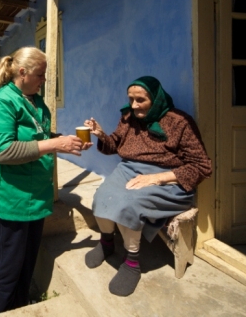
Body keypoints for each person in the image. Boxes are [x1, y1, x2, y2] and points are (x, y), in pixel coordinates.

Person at [81, 76, 211, 297]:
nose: (133, 105)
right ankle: (106, 242)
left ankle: (132, 263)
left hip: (169, 178)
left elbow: (202, 166)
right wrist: (101, 134)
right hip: (130, 170)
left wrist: (158, 178)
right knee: (102, 195)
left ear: (155, 99)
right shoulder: (128, 118)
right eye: (131, 99)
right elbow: (114, 145)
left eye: (140, 100)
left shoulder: (180, 122)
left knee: (130, 203)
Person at [0, 46, 84, 314]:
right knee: (9, 262)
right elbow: (3, 151)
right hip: (13, 197)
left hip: (34, 193)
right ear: (22, 72)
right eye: (41, 75)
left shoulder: (34, 100)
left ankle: (21, 303)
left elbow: (38, 135)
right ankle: (0, 308)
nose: (44, 80)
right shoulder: (1, 102)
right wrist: (54, 144)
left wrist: (64, 141)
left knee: (28, 256)